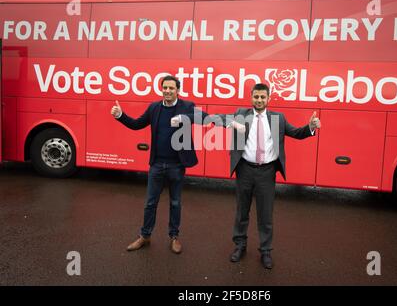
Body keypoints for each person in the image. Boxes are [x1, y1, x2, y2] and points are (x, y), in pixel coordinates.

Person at [212, 83, 321, 269]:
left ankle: (265, 251)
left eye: (263, 97)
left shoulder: (278, 118)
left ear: (268, 99)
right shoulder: (242, 113)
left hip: (267, 172)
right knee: (241, 211)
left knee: (265, 214)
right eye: (256, 97)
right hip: (245, 169)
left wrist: (310, 127)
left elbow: (296, 133)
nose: (259, 100)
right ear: (251, 97)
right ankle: (240, 245)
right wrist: (226, 121)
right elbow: (219, 119)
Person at [110, 75, 201, 254]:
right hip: (157, 165)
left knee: (175, 203)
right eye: (164, 87)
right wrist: (121, 115)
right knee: (150, 203)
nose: (167, 91)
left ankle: (174, 237)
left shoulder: (187, 106)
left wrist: (184, 118)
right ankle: (145, 235)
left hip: (177, 165)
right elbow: (137, 124)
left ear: (178, 90)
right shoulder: (154, 108)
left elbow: (197, 117)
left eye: (171, 88)